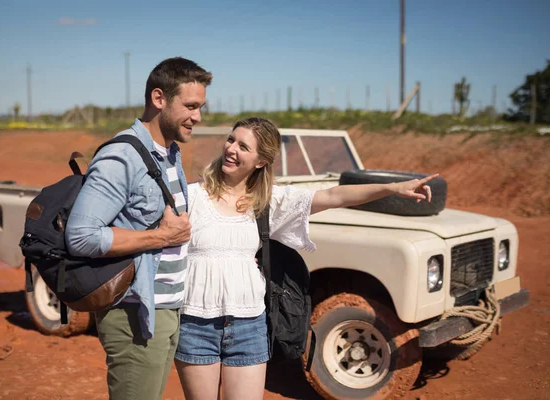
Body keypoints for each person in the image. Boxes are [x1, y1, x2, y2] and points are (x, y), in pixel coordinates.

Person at [174, 117, 437, 400]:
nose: (231, 149)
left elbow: (334, 195)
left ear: (261, 161)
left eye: (243, 147)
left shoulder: (268, 202)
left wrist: (391, 189)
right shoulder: (190, 197)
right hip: (196, 324)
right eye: (231, 140)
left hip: (248, 325)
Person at [65, 57, 212, 400]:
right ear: (159, 99)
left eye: (201, 107)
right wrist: (161, 237)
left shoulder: (170, 153)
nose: (199, 117)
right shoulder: (122, 156)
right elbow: (82, 236)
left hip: (166, 311)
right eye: (190, 106)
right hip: (135, 314)